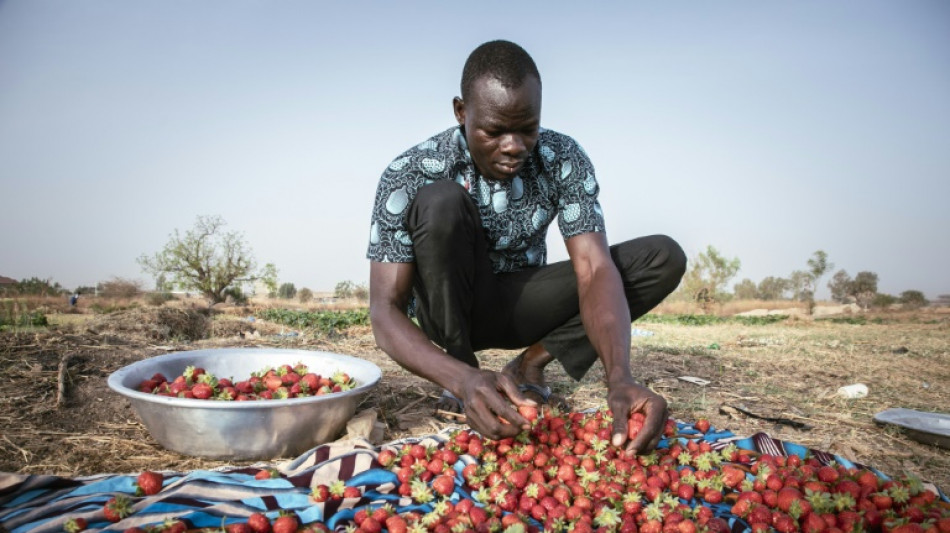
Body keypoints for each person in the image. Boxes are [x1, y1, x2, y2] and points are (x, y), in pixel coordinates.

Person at [367, 40, 686, 454]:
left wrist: (619, 377)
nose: (515, 145)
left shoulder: (562, 157)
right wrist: (460, 379)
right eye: (495, 130)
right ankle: (469, 373)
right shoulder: (409, 172)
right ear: (461, 112)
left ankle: (530, 363)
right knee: (439, 202)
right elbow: (383, 310)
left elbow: (593, 267)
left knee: (661, 257)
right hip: (446, 312)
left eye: (527, 128)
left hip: (518, 303)